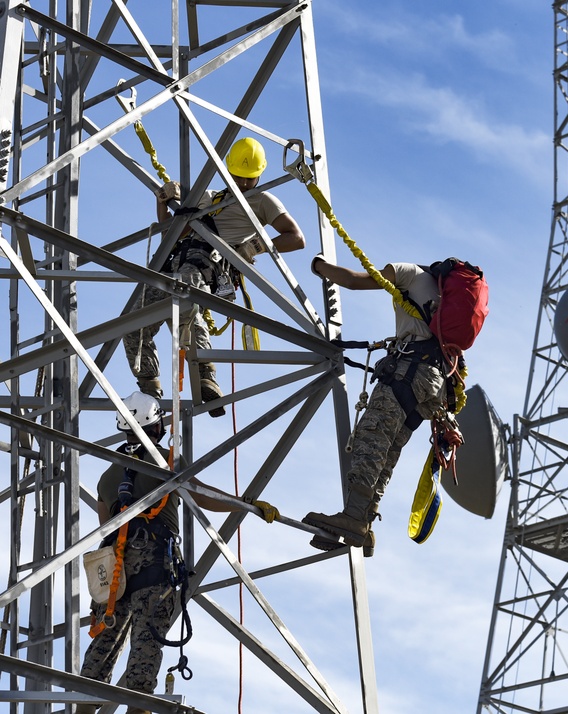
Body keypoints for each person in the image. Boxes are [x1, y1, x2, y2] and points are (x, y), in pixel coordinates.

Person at [79, 391, 280, 713]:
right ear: (156, 427)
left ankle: (83, 707)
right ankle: (138, 707)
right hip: (153, 565)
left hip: (113, 573)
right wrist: (247, 505)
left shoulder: (108, 477)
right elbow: (204, 496)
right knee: (146, 641)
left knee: (104, 643)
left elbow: (106, 528)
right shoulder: (168, 462)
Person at [123, 137, 306, 417]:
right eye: (238, 177)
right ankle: (150, 388)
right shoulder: (208, 197)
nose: (244, 184)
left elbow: (296, 238)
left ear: (259, 174)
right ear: (228, 170)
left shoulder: (263, 200)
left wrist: (253, 246)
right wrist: (164, 198)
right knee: (133, 324)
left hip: (206, 264)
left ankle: (205, 375)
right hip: (175, 261)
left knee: (186, 301)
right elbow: (169, 232)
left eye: (250, 178)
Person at [303, 258, 449, 554]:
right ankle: (365, 523)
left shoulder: (411, 273)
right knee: (389, 449)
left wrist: (319, 267)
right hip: (435, 384)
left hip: (410, 370)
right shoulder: (446, 294)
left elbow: (356, 280)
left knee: (371, 440)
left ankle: (354, 517)